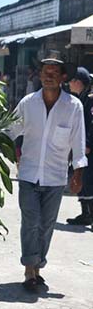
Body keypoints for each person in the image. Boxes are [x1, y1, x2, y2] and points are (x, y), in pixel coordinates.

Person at [8, 57, 87, 292]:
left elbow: (78, 142)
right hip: (29, 173)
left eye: (54, 72)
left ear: (63, 77)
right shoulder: (28, 103)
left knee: (47, 225)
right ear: (40, 75)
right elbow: (10, 130)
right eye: (45, 71)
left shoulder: (73, 107)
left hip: (55, 175)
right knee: (30, 222)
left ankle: (38, 266)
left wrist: (78, 174)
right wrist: (7, 149)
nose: (48, 75)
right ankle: (29, 270)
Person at [66, 66, 93, 225]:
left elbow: (91, 124)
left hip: (88, 148)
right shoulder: (80, 99)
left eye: (72, 80)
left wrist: (88, 144)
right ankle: (86, 213)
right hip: (81, 147)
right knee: (82, 179)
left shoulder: (89, 99)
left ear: (78, 82)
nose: (69, 83)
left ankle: (89, 214)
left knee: (87, 180)